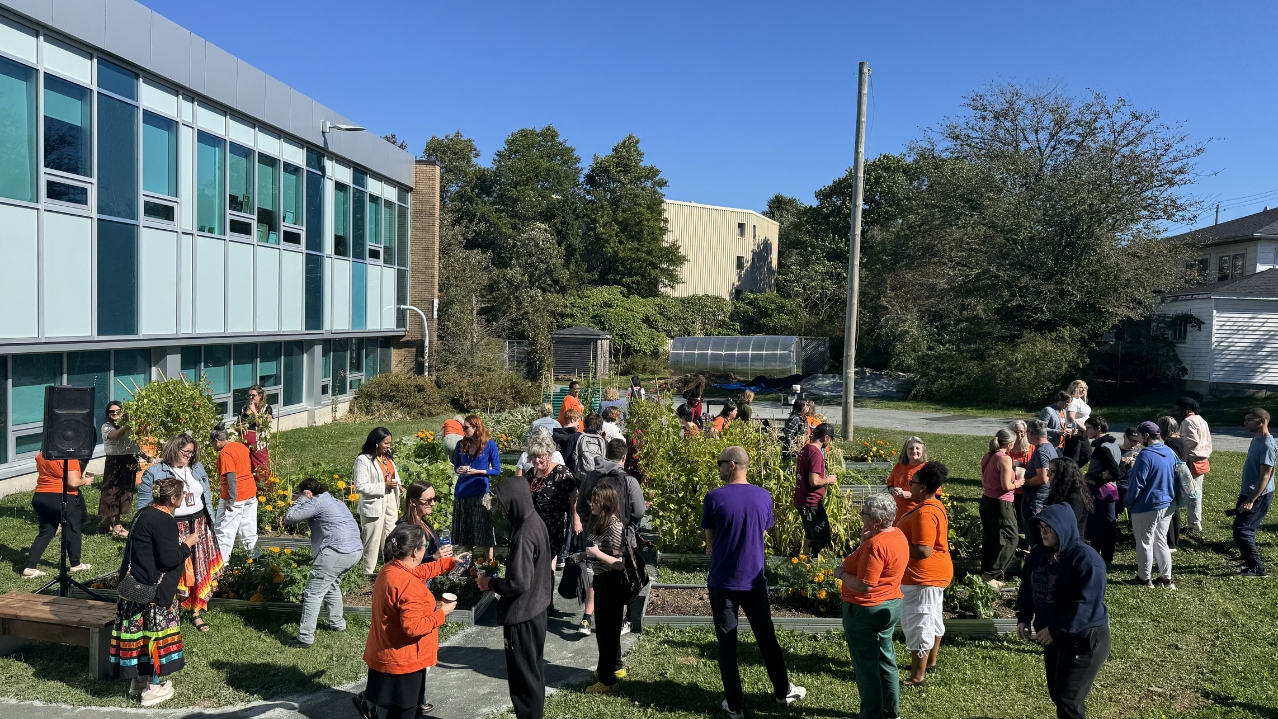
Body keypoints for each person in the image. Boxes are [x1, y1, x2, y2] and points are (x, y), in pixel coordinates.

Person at [702, 446, 806, 719]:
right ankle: (783, 691)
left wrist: (715, 545)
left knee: (727, 645)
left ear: (733, 464)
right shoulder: (764, 496)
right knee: (766, 637)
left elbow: (710, 544)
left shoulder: (713, 498)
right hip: (754, 580)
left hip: (723, 581)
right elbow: (760, 530)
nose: (719, 468)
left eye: (721, 463)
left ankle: (735, 706)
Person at [109, 477, 199, 707]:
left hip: (134, 587)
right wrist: (187, 545)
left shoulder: (143, 513)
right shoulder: (164, 521)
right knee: (155, 639)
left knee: (140, 639)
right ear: (173, 499)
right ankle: (153, 689)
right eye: (181, 495)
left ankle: (139, 682)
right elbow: (169, 560)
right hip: (153, 593)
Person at [1016, 504, 1111, 719]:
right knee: (1058, 695)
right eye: (1040, 528)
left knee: (1068, 699)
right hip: (1053, 635)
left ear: (1063, 528)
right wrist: (1023, 617)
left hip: (1084, 638)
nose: (1043, 533)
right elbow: (1027, 588)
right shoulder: (1037, 555)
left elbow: (1086, 604)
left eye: (1048, 528)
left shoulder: (1087, 560)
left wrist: (1058, 629)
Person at [354, 524, 457, 719]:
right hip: (405, 659)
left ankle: (368, 704)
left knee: (395, 705)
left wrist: (449, 563)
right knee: (404, 711)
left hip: (387, 650)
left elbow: (420, 572)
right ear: (414, 552)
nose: (427, 549)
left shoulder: (391, 569)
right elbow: (413, 627)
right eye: (424, 545)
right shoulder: (408, 585)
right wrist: (442, 612)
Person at [477, 476, 552, 719]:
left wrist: (491, 583)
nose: (503, 509)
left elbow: (519, 582)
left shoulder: (523, 535)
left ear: (516, 502)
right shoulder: (535, 521)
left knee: (523, 680)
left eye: (504, 504)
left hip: (522, 616)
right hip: (537, 610)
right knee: (533, 671)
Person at [833, 493, 908, 719]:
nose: (861, 516)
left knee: (866, 667)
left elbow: (864, 585)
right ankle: (890, 710)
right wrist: (864, 543)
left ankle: (871, 715)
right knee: (886, 658)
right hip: (890, 606)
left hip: (866, 610)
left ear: (877, 521)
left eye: (864, 514)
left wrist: (842, 573)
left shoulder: (877, 546)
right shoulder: (897, 535)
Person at [136, 434, 222, 632]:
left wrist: (210, 523)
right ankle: (168, 610)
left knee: (198, 569)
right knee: (175, 570)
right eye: (186, 452)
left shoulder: (196, 468)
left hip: (199, 524)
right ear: (174, 449)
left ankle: (196, 611)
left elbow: (205, 496)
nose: (190, 456)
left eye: (192, 452)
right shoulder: (155, 473)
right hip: (173, 526)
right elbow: (143, 507)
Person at [576, 438, 647, 637]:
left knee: (598, 573)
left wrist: (593, 523)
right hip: (621, 535)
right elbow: (640, 511)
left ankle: (587, 618)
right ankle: (622, 620)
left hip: (595, 534)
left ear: (605, 454)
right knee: (621, 575)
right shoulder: (629, 480)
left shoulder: (591, 477)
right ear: (623, 458)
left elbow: (581, 506)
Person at [284, 477, 365, 647]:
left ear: (309, 492)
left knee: (313, 593)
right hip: (355, 551)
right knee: (332, 585)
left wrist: (302, 500)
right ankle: (338, 625)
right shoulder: (333, 500)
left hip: (336, 552)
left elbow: (290, 518)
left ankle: (305, 638)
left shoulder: (316, 502)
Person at [897, 461, 953, 686]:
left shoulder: (925, 513)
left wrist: (897, 543)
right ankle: (929, 662)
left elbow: (922, 550)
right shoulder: (933, 505)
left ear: (922, 488)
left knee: (919, 621)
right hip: (931, 575)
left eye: (913, 482)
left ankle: (916, 676)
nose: (910, 485)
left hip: (923, 577)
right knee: (933, 618)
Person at [579, 482, 628, 694]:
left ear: (606, 503)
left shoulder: (615, 526)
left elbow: (619, 563)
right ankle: (608, 669)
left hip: (611, 583)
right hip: (600, 579)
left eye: (596, 501)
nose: (591, 504)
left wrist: (597, 554)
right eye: (591, 500)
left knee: (607, 633)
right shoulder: (599, 521)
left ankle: (608, 682)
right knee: (604, 631)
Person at [23, 452, 94, 578]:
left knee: (46, 531)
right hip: (62, 496)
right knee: (72, 530)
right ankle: (75, 564)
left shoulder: (42, 454)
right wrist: (86, 480)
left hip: (40, 496)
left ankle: (30, 567)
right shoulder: (68, 457)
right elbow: (73, 482)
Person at [1124, 421, 1177, 589]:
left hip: (1147, 505)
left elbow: (1136, 483)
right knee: (1161, 540)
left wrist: (1129, 502)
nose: (1139, 440)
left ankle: (1144, 578)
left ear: (1146, 436)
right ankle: (1166, 578)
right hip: (1167, 503)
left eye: (1140, 436)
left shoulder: (1145, 455)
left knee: (1144, 542)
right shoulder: (1168, 451)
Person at [524, 432, 578, 572]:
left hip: (554, 525)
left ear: (548, 455)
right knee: (533, 562)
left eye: (540, 456)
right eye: (534, 457)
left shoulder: (561, 472)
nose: (537, 460)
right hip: (533, 526)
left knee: (548, 562)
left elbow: (574, 495)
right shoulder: (530, 473)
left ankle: (547, 588)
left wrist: (576, 519)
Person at [355, 427, 403, 576]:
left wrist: (398, 484)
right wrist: (384, 486)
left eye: (390, 443)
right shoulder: (363, 460)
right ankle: (368, 572)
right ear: (376, 442)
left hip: (389, 501)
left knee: (391, 537)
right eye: (386, 443)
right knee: (373, 540)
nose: (388, 446)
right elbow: (360, 486)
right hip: (374, 503)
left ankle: (390, 570)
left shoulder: (387, 457)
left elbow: (392, 474)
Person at [980, 429, 1024, 587]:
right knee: (1011, 538)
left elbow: (984, 482)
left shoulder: (988, 455)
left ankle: (985, 570)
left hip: (986, 501)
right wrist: (1018, 483)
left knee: (991, 537)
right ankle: (991, 574)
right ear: (1010, 443)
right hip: (1001, 503)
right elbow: (1006, 486)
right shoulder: (1004, 459)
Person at [453, 415, 500, 562]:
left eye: (466, 427)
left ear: (476, 427)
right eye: (463, 427)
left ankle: (490, 564)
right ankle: (468, 564)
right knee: (465, 532)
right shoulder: (460, 445)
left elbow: (497, 470)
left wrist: (478, 471)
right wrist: (459, 469)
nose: (464, 430)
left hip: (480, 491)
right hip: (462, 491)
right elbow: (455, 466)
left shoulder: (490, 445)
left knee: (484, 530)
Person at [211, 424, 258, 563]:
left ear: (217, 441)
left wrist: (231, 500)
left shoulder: (225, 453)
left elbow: (231, 476)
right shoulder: (241, 446)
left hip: (234, 496)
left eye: (212, 444)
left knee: (224, 532)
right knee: (249, 529)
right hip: (250, 492)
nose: (213, 447)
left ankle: (221, 565)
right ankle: (255, 559)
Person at [1236, 408, 1275, 577]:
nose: (1246, 423)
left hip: (1258, 495)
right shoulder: (1256, 439)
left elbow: (1265, 477)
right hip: (1248, 492)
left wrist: (1251, 500)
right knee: (1240, 529)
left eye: (1250, 420)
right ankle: (1249, 562)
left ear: (1262, 421)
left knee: (1244, 530)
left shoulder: (1267, 445)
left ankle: (1257, 569)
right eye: (1245, 420)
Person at [794, 423, 839, 558]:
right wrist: (828, 480)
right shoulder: (815, 453)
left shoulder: (806, 449)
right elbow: (814, 481)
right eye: (830, 438)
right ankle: (813, 564)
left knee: (810, 534)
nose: (830, 441)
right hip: (810, 502)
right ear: (826, 437)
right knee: (822, 537)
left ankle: (804, 559)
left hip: (802, 499)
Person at [1082, 416, 1121, 566]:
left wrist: (1096, 480)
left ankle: (1096, 557)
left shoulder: (1102, 448)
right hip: (1111, 490)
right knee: (1109, 524)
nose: (1086, 431)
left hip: (1100, 492)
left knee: (1097, 525)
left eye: (1089, 428)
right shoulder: (1114, 444)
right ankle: (1107, 556)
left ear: (1098, 428)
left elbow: (1115, 470)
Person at [98, 400, 140, 539]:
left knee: (125, 492)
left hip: (129, 461)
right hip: (115, 462)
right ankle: (117, 527)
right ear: (108, 414)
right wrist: (128, 424)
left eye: (118, 411)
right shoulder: (106, 427)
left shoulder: (127, 427)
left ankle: (105, 522)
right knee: (114, 492)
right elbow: (115, 436)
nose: (115, 413)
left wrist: (142, 455)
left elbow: (132, 443)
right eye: (112, 411)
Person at [1174, 397, 1212, 536]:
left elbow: (1192, 441)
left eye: (1178, 409)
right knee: (1197, 492)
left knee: (1191, 493)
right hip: (1202, 459)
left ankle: (1194, 523)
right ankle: (1194, 521)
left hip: (1192, 461)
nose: (1176, 412)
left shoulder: (1187, 422)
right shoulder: (1201, 420)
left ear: (1187, 410)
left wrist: (1179, 446)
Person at [1023, 420, 1057, 548]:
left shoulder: (1041, 451)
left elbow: (1043, 478)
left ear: (1031, 434)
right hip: (1043, 496)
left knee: (1035, 534)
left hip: (1036, 498)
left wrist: (1023, 482)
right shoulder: (1049, 447)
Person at [1157, 415, 1186, 552]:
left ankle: (1170, 542)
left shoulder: (1169, 442)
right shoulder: (1181, 440)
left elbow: (1169, 461)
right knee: (1175, 511)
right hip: (1182, 478)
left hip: (1172, 478)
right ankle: (1174, 541)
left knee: (1169, 511)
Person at [1046, 458, 1092, 540]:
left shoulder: (1075, 498)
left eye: (1052, 471)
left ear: (1063, 474)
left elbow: (1069, 525)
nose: (1047, 475)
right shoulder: (1059, 493)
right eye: (1048, 471)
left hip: (1071, 543)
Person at [237, 384, 274, 486]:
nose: (251, 398)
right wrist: (246, 416)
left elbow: (263, 425)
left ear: (260, 396)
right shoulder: (244, 409)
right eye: (249, 396)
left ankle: (266, 492)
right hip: (244, 444)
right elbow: (236, 426)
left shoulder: (267, 408)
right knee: (247, 468)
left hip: (259, 444)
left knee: (261, 469)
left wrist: (254, 411)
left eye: (253, 395)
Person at [888, 436, 932, 521]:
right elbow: (890, 484)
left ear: (923, 450)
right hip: (897, 515)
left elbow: (935, 496)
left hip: (918, 514)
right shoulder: (899, 466)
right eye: (911, 448)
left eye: (917, 448)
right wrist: (893, 490)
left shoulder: (928, 469)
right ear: (906, 451)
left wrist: (910, 495)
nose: (914, 451)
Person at [400, 481, 444, 559]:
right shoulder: (406, 530)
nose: (433, 503)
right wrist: (433, 558)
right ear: (413, 502)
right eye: (428, 500)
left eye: (434, 499)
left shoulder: (423, 523)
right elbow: (408, 564)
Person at [1008, 420, 1033, 550]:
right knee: (1013, 517)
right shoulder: (1008, 448)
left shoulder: (1031, 447)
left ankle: (1026, 544)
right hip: (1011, 488)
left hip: (1026, 487)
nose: (1019, 434)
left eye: (1022, 431)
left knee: (1025, 518)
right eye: (1016, 432)